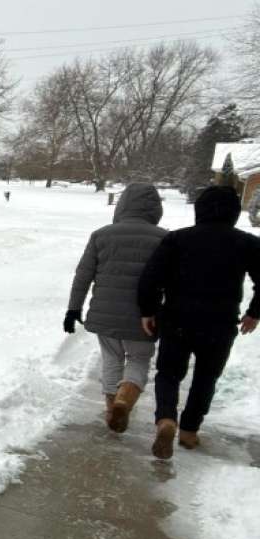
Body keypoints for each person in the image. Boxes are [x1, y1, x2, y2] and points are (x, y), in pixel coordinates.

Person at [138, 184, 260, 459]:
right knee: (206, 377)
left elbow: (151, 278)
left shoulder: (178, 239)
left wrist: (148, 311)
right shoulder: (247, 243)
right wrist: (254, 312)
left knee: (169, 373)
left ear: (200, 210)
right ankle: (190, 430)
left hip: (177, 319)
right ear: (234, 212)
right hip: (220, 323)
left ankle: (166, 419)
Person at [66, 183, 167, 432]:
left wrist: (73, 309)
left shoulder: (101, 235)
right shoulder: (165, 238)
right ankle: (125, 400)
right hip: (146, 316)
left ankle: (112, 409)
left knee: (111, 358)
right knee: (139, 359)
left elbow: (83, 275)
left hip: (106, 313)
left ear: (122, 205)